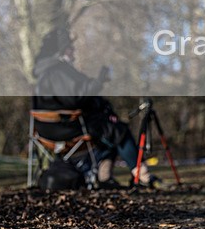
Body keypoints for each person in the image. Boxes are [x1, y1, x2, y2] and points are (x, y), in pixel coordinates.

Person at [32, 25, 158, 189]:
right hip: (67, 128)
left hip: (46, 130)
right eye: (70, 47)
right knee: (119, 131)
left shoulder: (45, 73)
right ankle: (142, 176)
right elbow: (75, 99)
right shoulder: (57, 71)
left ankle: (104, 177)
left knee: (109, 133)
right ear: (61, 50)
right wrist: (97, 84)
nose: (73, 51)